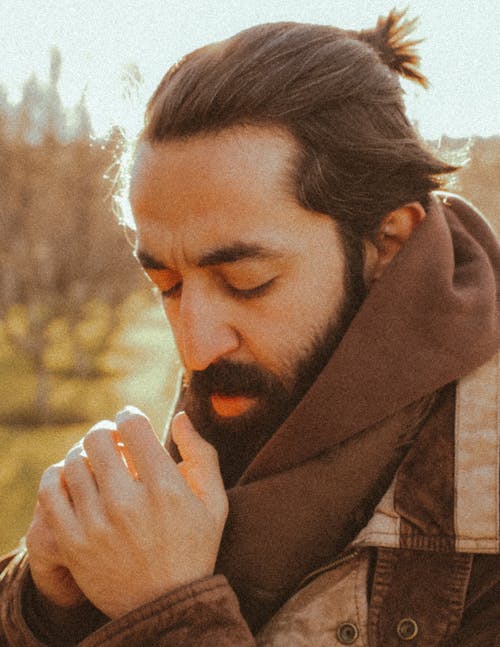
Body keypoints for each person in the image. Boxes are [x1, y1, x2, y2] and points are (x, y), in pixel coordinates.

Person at [1, 9, 499, 646]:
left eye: (247, 282)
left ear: (388, 243)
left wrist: (164, 615)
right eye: (167, 287)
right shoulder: (260, 394)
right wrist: (46, 607)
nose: (195, 346)